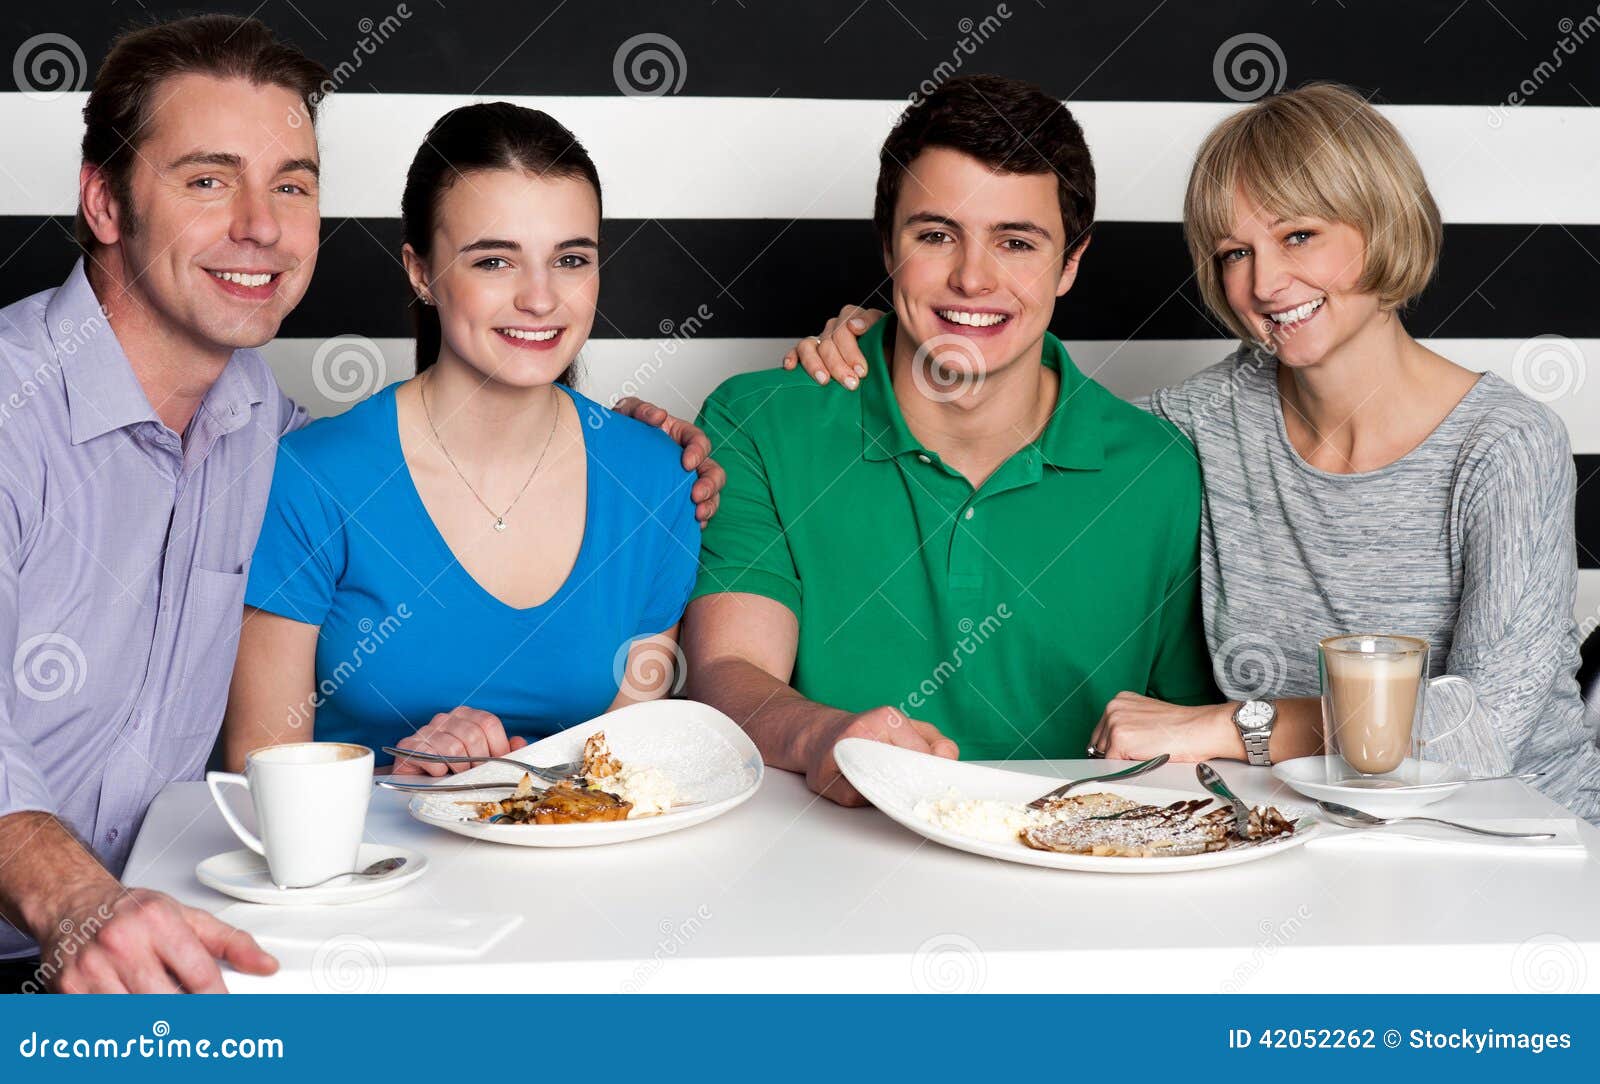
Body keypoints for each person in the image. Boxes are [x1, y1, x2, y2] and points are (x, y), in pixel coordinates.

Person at [0, 17, 723, 994]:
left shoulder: (265, 428)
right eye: (208, 179)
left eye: (291, 185)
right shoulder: (16, 410)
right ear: (104, 201)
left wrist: (644, 446)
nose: (260, 223)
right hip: (60, 936)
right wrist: (76, 901)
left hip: (175, 936)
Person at [786, 83, 1600, 821]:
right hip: (1303, 839)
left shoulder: (1503, 446)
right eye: (1234, 253)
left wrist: (1231, 725)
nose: (1268, 283)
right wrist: (894, 354)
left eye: (1300, 235)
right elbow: (1031, 416)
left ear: (1382, 224)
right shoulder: (1200, 425)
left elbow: (1483, 726)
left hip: (1520, 839)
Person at [682, 75, 1218, 807]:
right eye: (936, 235)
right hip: (820, 870)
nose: (971, 277)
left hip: (1084, 876)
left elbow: (1186, 740)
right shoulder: (761, 423)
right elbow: (731, 669)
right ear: (887, 245)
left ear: (1071, 263)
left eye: (1016, 242)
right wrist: (822, 737)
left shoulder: (1160, 470)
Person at [224, 104, 700, 769]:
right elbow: (260, 764)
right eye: (494, 262)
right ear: (421, 271)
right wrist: (399, 779)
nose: (540, 298)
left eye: (570, 259)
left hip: (577, 867)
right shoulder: (310, 479)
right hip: (367, 867)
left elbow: (623, 772)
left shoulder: (656, 480)